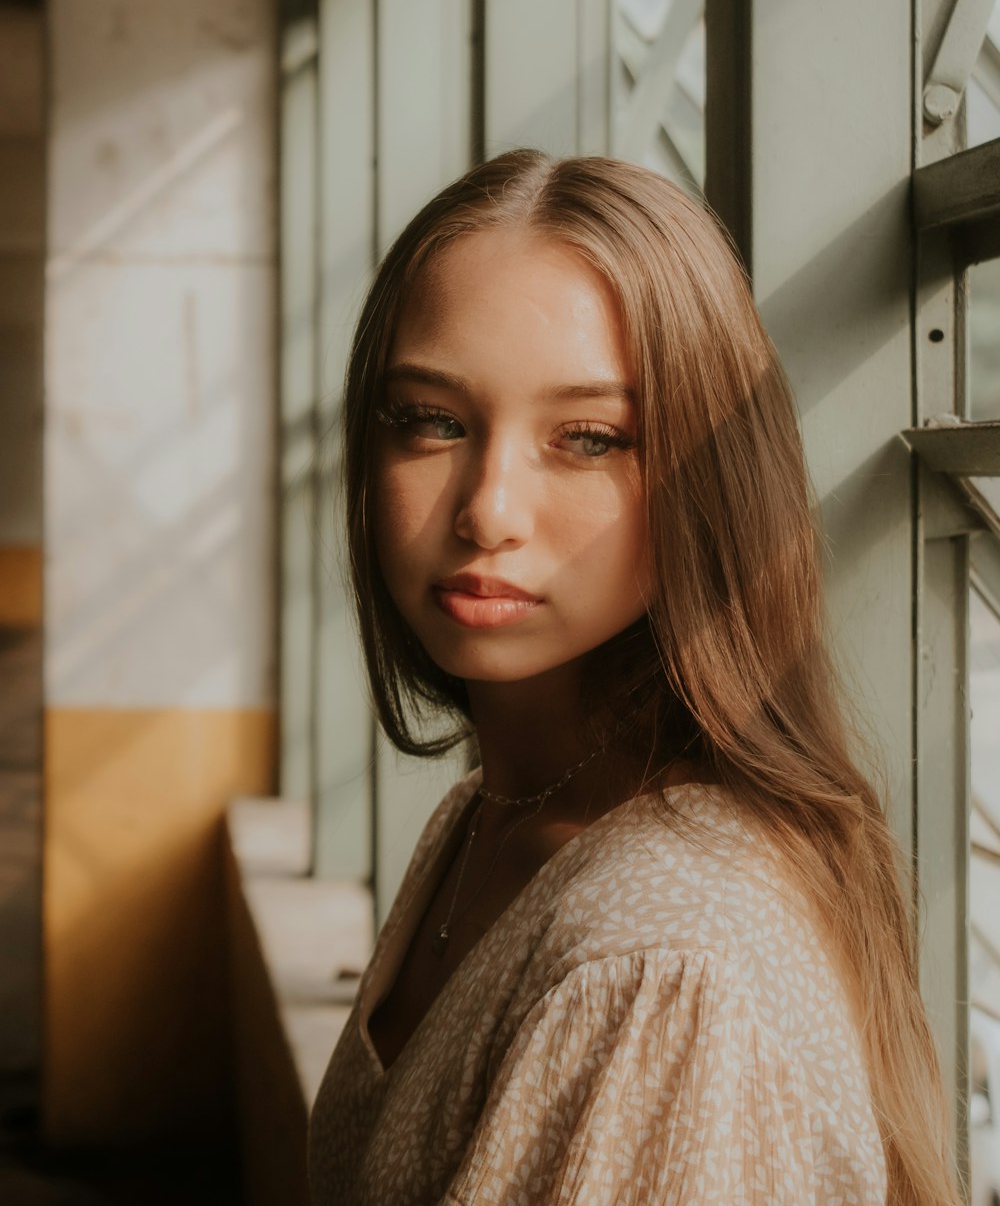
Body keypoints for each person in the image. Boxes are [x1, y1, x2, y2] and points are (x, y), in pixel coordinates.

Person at [308, 149, 959, 1205]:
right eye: (432, 418)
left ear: (707, 471)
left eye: (588, 437)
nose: (488, 509)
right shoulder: (496, 809)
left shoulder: (664, 962)